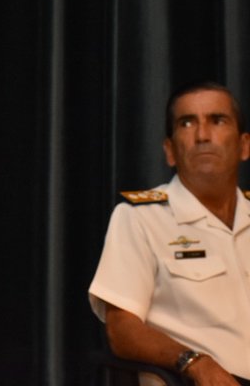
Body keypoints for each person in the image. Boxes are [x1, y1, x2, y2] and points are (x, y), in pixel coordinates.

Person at [89, 81, 250, 386]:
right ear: (170, 150)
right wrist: (193, 362)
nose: (202, 135)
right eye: (187, 123)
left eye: (217, 120)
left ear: (244, 146)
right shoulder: (140, 219)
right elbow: (122, 330)